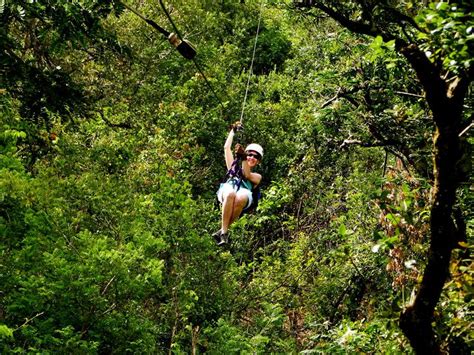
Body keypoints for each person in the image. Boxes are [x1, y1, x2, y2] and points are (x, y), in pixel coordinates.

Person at [213, 122, 263, 246]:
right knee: (230, 193)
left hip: (244, 195)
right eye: (249, 154)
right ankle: (224, 232)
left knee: (241, 196)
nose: (251, 157)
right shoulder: (234, 168)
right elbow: (226, 148)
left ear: (258, 161)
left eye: (255, 156)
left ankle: (223, 230)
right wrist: (233, 131)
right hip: (228, 189)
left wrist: (244, 158)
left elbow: (247, 175)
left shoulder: (257, 176)